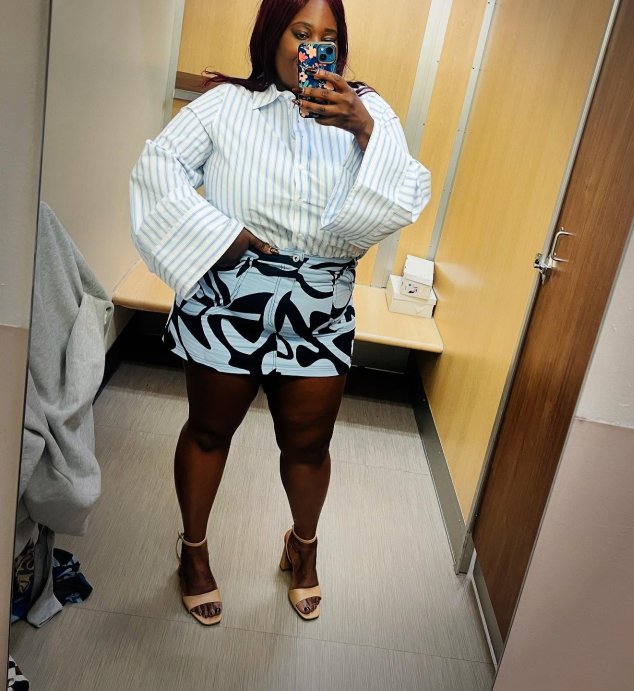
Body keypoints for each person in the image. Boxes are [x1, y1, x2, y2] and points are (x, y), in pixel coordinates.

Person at [129, 0, 431, 625]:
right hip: (229, 295)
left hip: (320, 303)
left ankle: (304, 545)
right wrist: (221, 234)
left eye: (328, 37)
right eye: (300, 32)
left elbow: (405, 193)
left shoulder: (368, 111)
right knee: (209, 431)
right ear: (273, 35)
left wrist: (365, 130)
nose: (312, 46)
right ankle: (193, 551)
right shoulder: (225, 106)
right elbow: (156, 169)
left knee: (309, 444)